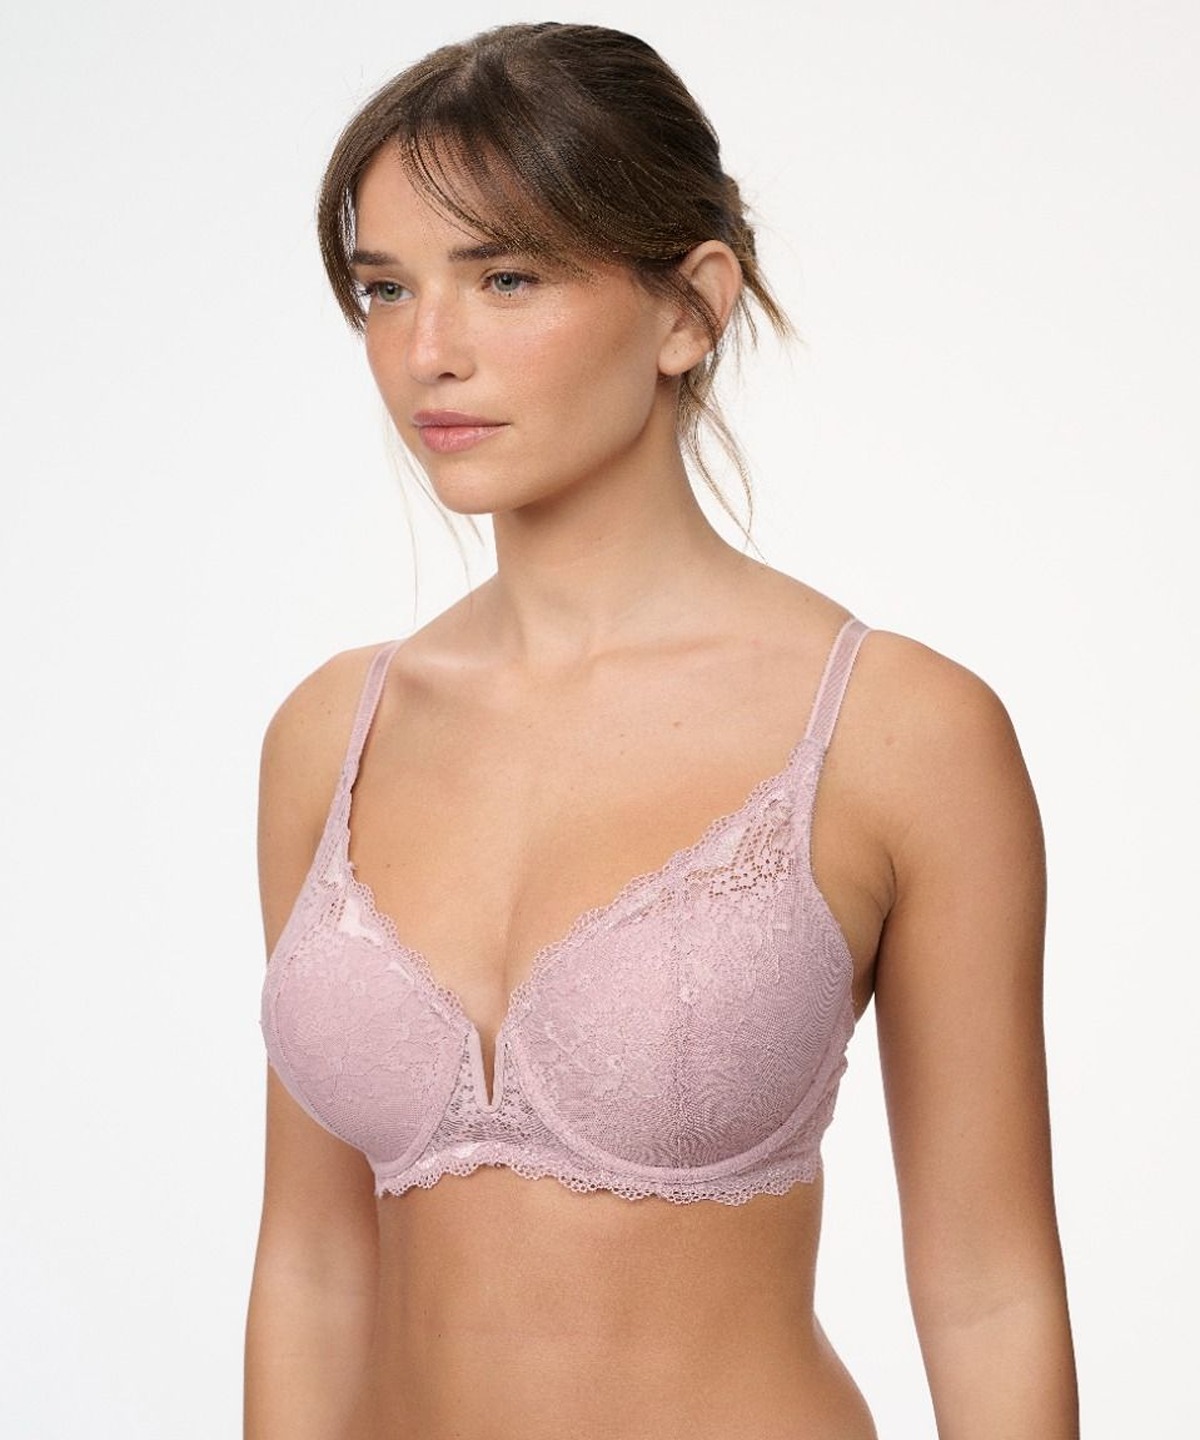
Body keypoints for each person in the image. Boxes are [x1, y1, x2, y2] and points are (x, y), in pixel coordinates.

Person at [244, 21, 1078, 1440]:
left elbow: (989, 1291)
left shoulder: (897, 734)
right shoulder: (334, 734)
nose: (427, 353)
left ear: (691, 309)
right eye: (386, 289)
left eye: (506, 277)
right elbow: (312, 1269)